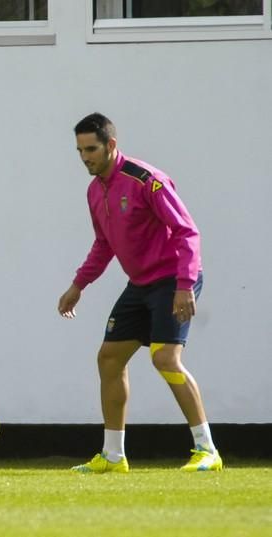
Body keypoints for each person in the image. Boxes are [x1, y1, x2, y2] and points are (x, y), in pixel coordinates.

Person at [57, 112, 222, 473]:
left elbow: (187, 232)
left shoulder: (146, 180)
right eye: (80, 150)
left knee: (165, 359)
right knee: (109, 358)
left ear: (111, 145)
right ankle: (114, 456)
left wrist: (184, 286)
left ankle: (208, 450)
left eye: (92, 149)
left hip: (173, 280)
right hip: (141, 285)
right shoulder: (94, 190)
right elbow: (104, 244)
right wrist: (78, 285)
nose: (85, 157)